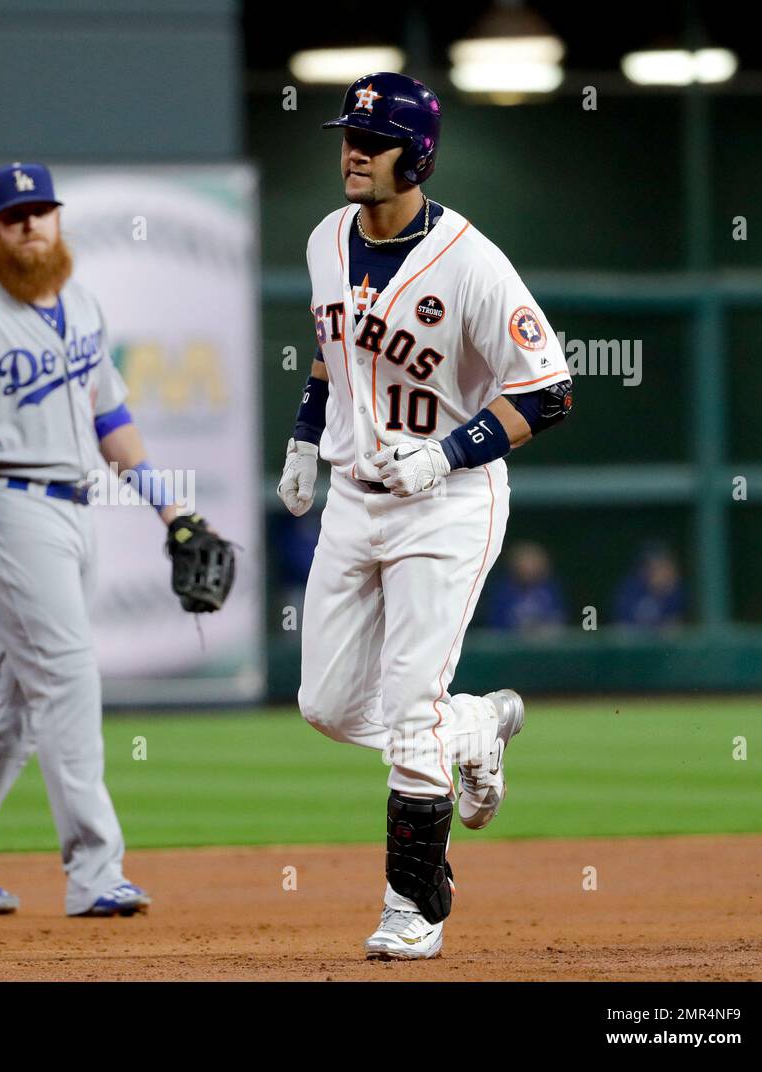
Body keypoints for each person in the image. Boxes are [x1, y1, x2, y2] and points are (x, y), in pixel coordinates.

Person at [275, 74, 574, 960]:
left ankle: (413, 907)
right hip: (354, 500)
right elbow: (334, 354)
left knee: (409, 708)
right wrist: (300, 438)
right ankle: (476, 724)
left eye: (375, 139)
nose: (354, 151)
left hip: (446, 505)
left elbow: (549, 391)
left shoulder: (473, 263)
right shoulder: (325, 239)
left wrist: (445, 453)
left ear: (421, 153)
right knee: (325, 704)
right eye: (348, 136)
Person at [0, 162, 204, 918]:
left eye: (43, 211)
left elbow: (111, 420)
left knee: (23, 698)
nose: (32, 225)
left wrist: (171, 511)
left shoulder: (80, 303)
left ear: (57, 221)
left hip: (77, 506)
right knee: (70, 675)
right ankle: (95, 871)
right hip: (5, 501)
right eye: (17, 216)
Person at [487, 541, 566, 632]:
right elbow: (496, 625)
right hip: (510, 642)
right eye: (525, 562)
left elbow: (559, 618)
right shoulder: (503, 592)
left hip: (546, 643)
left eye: (533, 561)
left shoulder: (550, 590)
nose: (529, 567)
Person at [614, 543, 685, 628]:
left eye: (665, 567)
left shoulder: (677, 594)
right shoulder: (630, 592)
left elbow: (676, 625)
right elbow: (621, 626)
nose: (664, 573)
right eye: (656, 567)